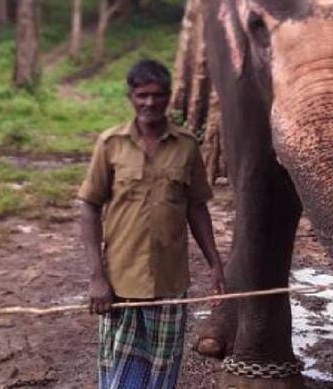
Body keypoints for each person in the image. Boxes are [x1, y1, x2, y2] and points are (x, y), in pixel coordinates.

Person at [78, 59, 225, 389]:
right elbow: (89, 207)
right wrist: (96, 278)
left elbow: (197, 207)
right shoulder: (110, 145)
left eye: (157, 95)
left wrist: (215, 263)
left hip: (170, 284)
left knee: (161, 371)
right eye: (142, 95)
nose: (150, 103)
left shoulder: (187, 146)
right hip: (119, 284)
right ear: (130, 96)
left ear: (169, 96)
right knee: (118, 372)